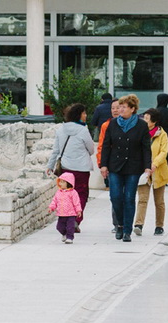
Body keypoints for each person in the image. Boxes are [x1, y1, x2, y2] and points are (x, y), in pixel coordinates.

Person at [99, 94, 152, 243]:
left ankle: (127, 230)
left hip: (134, 167)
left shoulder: (141, 125)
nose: (120, 109)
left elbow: (146, 148)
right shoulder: (113, 123)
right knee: (115, 197)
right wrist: (103, 165)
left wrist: (147, 167)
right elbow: (106, 146)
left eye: (124, 107)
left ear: (132, 109)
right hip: (115, 166)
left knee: (129, 198)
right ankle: (120, 225)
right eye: (119, 107)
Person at [46, 103, 96, 232]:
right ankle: (75, 220)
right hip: (82, 169)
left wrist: (50, 166)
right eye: (84, 113)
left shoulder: (61, 129)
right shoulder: (83, 130)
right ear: (79, 115)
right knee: (81, 194)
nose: (85, 116)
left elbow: (56, 150)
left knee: (66, 195)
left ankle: (67, 220)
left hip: (66, 168)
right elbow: (91, 149)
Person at [134, 107, 168, 237]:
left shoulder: (162, 134)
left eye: (147, 119)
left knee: (159, 201)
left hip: (158, 171)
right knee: (142, 199)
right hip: (144, 171)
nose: (144, 120)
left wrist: (155, 164)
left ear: (154, 121)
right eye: (144, 118)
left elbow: (164, 152)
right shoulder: (140, 132)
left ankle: (159, 226)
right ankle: (138, 224)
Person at [48, 172, 84, 244]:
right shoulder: (59, 192)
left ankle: (70, 237)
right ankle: (64, 234)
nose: (61, 184)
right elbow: (55, 200)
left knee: (70, 227)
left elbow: (76, 202)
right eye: (60, 182)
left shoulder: (73, 193)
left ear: (68, 182)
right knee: (59, 227)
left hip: (71, 214)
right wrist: (51, 207)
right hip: (61, 214)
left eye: (63, 182)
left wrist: (78, 210)